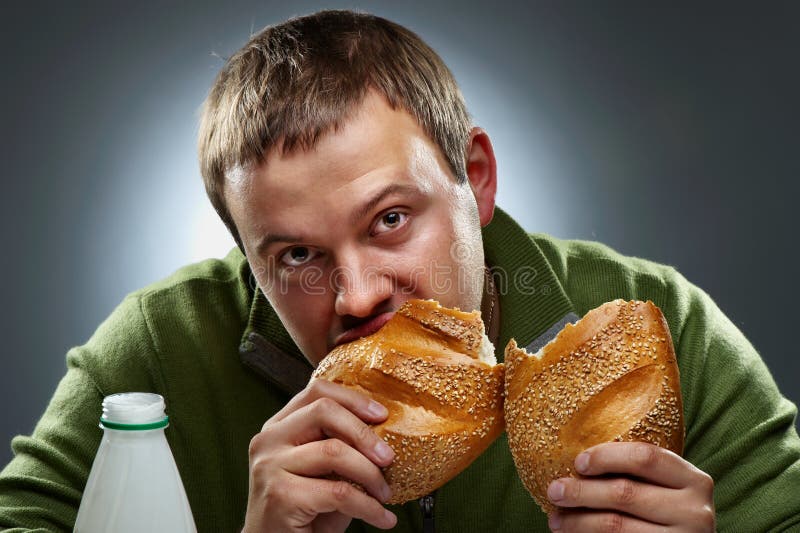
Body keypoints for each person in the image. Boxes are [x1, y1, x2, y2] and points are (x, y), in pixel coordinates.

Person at [1, 9, 798, 532]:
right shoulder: (156, 349)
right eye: (298, 256)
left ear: (476, 177)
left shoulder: (663, 327)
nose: (358, 295)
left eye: (390, 219)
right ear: (246, 257)